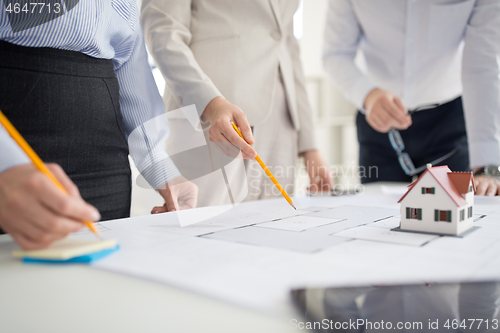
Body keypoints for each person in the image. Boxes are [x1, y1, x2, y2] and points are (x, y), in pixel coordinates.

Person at [0, 1, 197, 250]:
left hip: (105, 160)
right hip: (16, 131)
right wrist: (5, 165)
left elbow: (130, 62)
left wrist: (161, 168)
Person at [141, 0, 333, 207]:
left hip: (283, 123)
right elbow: (163, 29)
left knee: (275, 229)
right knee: (201, 230)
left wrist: (309, 146)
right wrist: (211, 103)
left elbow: (287, 43)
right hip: (214, 117)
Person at [323, 0, 500, 195]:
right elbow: (336, 54)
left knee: (451, 214)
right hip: (378, 121)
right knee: (377, 217)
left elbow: (483, 67)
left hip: (449, 124)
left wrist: (486, 165)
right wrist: (368, 94)